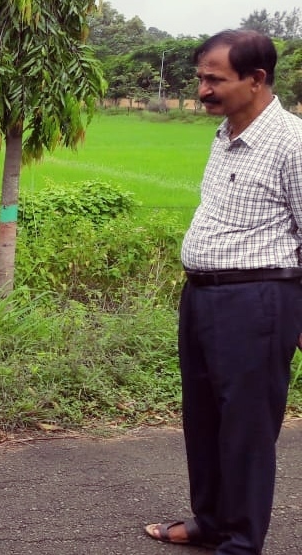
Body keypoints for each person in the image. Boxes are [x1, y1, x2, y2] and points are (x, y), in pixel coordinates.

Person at [144, 29, 302, 554]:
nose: (203, 90)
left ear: (256, 80)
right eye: (200, 78)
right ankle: (209, 520)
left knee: (247, 429)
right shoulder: (226, 134)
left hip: (258, 301)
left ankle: (240, 541)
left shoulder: (292, 144)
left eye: (215, 79)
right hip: (204, 298)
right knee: (204, 417)